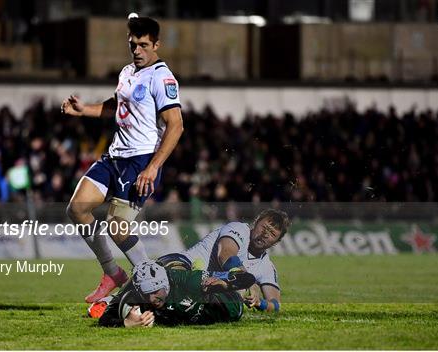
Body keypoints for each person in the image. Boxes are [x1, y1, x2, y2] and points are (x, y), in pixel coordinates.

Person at [61, 17, 184, 303]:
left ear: (156, 44)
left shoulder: (162, 77)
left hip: (140, 161)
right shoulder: (128, 71)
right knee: (77, 209)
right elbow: (118, 106)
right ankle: (113, 274)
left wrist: (153, 167)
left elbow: (175, 125)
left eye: (143, 45)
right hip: (114, 155)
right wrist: (84, 110)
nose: (137, 50)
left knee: (117, 227)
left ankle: (153, 283)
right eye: (133, 45)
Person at [157, 209, 290, 313]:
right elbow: (225, 254)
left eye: (272, 234)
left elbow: (276, 304)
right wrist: (247, 281)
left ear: (276, 242)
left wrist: (260, 303)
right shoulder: (238, 229)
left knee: (234, 301)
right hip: (180, 264)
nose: (265, 234)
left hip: (204, 289)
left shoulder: (266, 266)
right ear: (255, 222)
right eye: (264, 227)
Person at [94, 260, 255, 327]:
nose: (152, 298)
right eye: (146, 293)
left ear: (165, 283)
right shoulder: (136, 289)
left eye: (156, 291)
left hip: (231, 305)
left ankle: (199, 264)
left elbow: (248, 278)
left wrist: (225, 284)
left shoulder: (189, 280)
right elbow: (105, 320)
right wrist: (127, 323)